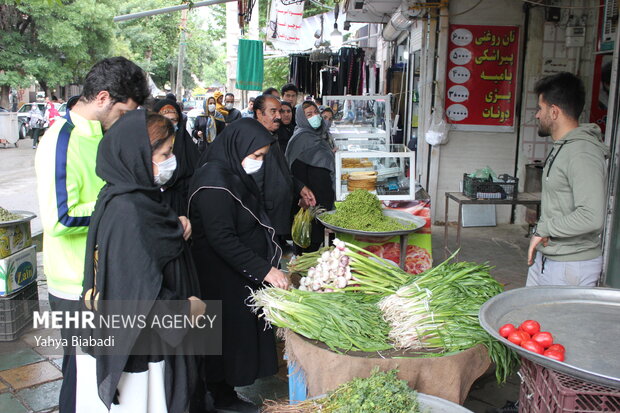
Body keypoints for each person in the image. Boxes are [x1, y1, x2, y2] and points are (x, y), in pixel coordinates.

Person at [35, 56, 149, 413]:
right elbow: (62, 217)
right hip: (74, 284)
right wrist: (123, 212)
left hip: (103, 275)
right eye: (123, 112)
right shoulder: (61, 140)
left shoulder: (101, 133)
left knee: (101, 371)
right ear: (102, 98)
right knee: (82, 374)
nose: (125, 122)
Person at [78, 111, 204, 413]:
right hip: (143, 350)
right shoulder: (128, 210)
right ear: (138, 157)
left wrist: (174, 226)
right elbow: (134, 293)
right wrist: (187, 310)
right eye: (165, 153)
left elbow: (142, 250)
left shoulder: (123, 194)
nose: (171, 160)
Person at [188, 118, 290, 413]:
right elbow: (222, 239)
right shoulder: (213, 183)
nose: (259, 162)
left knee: (233, 336)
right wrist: (264, 270)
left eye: (262, 157)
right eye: (256, 156)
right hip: (218, 275)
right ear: (237, 146)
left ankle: (226, 392)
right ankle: (217, 397)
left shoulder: (229, 172)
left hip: (235, 273)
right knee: (223, 338)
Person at [527, 72, 610, 286]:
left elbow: (591, 216)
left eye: (540, 108)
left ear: (554, 112)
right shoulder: (564, 146)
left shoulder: (582, 152)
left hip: (570, 266)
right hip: (550, 257)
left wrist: (544, 229)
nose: (537, 115)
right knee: (527, 317)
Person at [253, 95, 316, 250]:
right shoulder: (254, 140)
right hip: (263, 219)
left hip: (274, 216)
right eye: (273, 111)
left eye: (280, 112)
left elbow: (279, 171)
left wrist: (298, 186)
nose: (279, 116)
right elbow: (254, 185)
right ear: (259, 114)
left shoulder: (270, 136)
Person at [285, 101, 336, 252]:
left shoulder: (320, 136)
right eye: (309, 114)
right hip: (310, 200)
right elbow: (293, 171)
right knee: (310, 240)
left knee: (324, 238)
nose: (315, 116)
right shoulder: (300, 139)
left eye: (315, 112)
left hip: (324, 195)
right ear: (301, 118)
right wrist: (301, 195)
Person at [153, 99, 200, 216]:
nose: (169, 124)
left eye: (173, 120)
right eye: (165, 120)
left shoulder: (187, 146)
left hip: (181, 206)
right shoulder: (148, 144)